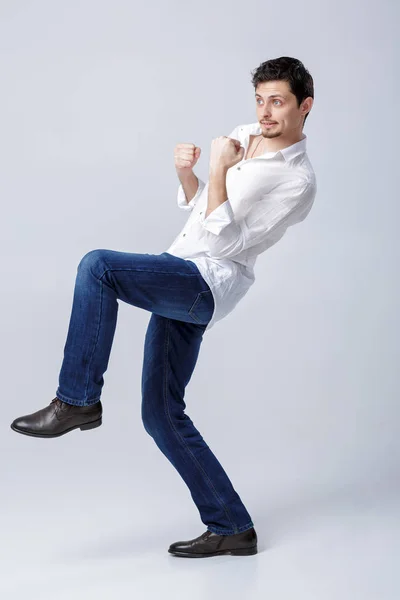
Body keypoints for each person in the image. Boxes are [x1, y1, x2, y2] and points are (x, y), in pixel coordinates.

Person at [10, 56, 316, 558]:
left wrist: (218, 168)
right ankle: (232, 526)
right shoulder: (246, 134)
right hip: (179, 267)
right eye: (260, 99)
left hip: (205, 283)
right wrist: (188, 173)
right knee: (161, 413)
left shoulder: (297, 183)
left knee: (98, 267)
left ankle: (78, 400)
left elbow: (223, 245)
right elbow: (203, 212)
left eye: (277, 101)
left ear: (305, 106)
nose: (264, 112)